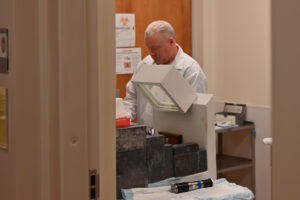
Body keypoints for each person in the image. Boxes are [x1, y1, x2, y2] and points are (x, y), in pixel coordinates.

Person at [123, 20, 207, 128]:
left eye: (155, 48)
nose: (151, 53)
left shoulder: (191, 71)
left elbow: (195, 114)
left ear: (171, 42)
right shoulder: (144, 65)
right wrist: (123, 120)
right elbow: (131, 98)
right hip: (146, 136)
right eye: (149, 48)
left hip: (175, 137)